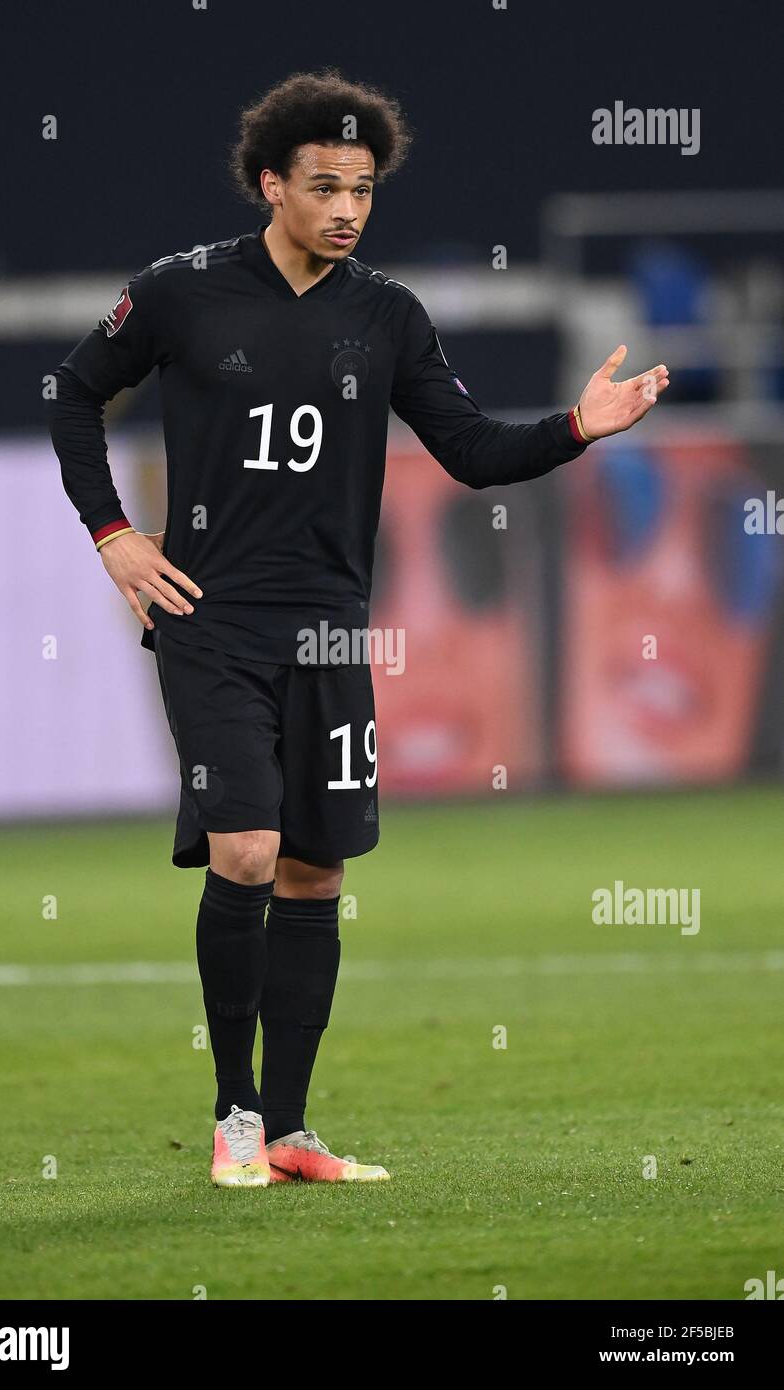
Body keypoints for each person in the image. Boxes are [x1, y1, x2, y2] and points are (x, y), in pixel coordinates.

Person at [48, 68, 669, 1188]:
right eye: (325, 186)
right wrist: (113, 536)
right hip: (211, 619)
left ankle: (289, 1129)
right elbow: (71, 391)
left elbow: (472, 449)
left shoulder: (385, 316)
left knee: (314, 873)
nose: (346, 207)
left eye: (364, 190)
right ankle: (233, 1117)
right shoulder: (181, 292)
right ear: (269, 184)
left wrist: (579, 424)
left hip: (332, 631)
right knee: (242, 845)